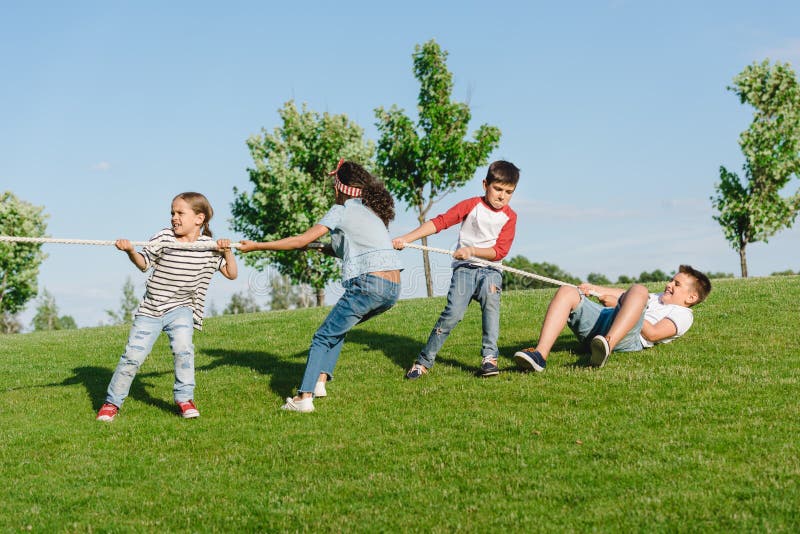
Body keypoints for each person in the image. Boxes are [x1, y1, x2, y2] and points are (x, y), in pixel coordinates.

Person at [239, 159, 402, 413]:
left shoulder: (341, 210)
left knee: (322, 336)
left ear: (339, 188)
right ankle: (320, 382)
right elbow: (348, 249)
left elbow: (301, 239)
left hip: (368, 284)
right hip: (392, 290)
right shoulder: (372, 212)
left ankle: (304, 398)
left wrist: (257, 246)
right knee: (337, 330)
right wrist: (322, 248)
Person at [96, 192, 238, 422]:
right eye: (172, 212)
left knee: (184, 351)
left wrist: (227, 251)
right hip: (151, 310)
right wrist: (131, 250)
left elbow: (232, 274)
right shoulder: (163, 237)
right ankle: (112, 403)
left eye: (180, 213)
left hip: (181, 309)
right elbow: (144, 265)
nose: (174, 217)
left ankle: (184, 399)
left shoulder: (208, 247)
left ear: (199, 219)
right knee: (132, 356)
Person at [393, 160, 520, 379]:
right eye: (497, 189)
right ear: (485, 185)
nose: (502, 196)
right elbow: (439, 223)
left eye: (508, 192)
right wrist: (406, 238)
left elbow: (500, 251)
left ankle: (489, 358)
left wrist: (472, 250)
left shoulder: (510, 217)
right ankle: (423, 361)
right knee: (452, 314)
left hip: (491, 270)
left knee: (491, 303)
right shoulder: (471, 206)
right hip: (465, 270)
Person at [513, 265, 712, 371]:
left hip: (628, 337)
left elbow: (653, 334)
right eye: (671, 280)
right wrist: (594, 289)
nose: (669, 284)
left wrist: (626, 308)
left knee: (639, 289)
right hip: (603, 319)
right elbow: (625, 295)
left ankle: (606, 345)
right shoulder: (657, 298)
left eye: (676, 284)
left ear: (691, 297)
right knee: (567, 291)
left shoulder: (683, 315)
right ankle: (539, 355)